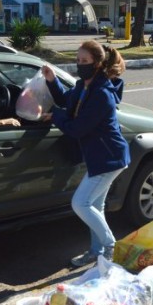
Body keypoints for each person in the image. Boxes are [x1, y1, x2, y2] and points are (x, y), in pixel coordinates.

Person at [41, 41, 130, 266]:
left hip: (109, 158)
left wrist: (55, 116)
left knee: (80, 203)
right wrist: (52, 80)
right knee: (95, 206)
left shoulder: (101, 94)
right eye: (78, 60)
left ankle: (111, 247)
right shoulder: (84, 86)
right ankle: (96, 251)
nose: (80, 65)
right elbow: (65, 100)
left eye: (85, 61)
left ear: (98, 64)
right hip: (98, 156)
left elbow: (77, 128)